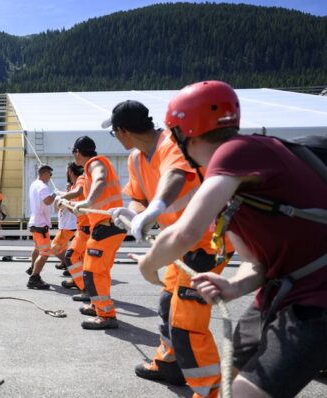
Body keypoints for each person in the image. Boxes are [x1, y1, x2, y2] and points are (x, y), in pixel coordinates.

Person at [137, 80, 327, 398]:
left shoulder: (238, 150)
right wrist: (234, 286)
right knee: (231, 377)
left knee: (244, 394)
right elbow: (256, 265)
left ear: (183, 133)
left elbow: (186, 231)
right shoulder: (233, 188)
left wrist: (148, 264)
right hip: (276, 295)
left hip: (315, 302)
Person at [104, 100, 232, 395]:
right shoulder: (135, 158)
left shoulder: (172, 143)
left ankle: (211, 391)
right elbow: (138, 196)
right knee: (166, 305)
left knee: (186, 327)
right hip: (179, 244)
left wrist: (154, 210)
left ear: (122, 131)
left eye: (114, 134)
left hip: (207, 245)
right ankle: (169, 365)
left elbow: (174, 176)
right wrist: (134, 213)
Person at [70, 136, 126, 330]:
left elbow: (100, 179)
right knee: (98, 271)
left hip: (106, 225)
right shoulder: (93, 167)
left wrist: (87, 202)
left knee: (93, 273)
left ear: (78, 152)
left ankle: (106, 315)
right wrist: (74, 203)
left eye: (74, 152)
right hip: (108, 226)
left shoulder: (96, 163)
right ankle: (98, 307)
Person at [56, 163, 87, 292]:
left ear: (70, 171)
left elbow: (77, 209)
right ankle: (78, 281)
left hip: (87, 226)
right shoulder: (75, 185)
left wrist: (64, 200)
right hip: (82, 226)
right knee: (78, 257)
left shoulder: (81, 180)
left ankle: (84, 287)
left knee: (72, 256)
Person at [25, 164, 56, 290]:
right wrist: (55, 195)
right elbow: (47, 201)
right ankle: (34, 277)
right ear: (45, 173)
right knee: (45, 253)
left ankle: (33, 267)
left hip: (34, 222)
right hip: (41, 224)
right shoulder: (43, 186)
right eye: (50, 174)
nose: (50, 177)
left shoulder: (34, 184)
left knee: (37, 248)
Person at [50, 163, 79, 275]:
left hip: (68, 226)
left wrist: (61, 198)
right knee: (64, 247)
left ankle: (70, 266)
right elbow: (57, 208)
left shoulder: (75, 189)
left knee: (54, 248)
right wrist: (60, 197)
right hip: (65, 225)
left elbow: (70, 204)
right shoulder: (70, 190)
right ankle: (65, 263)